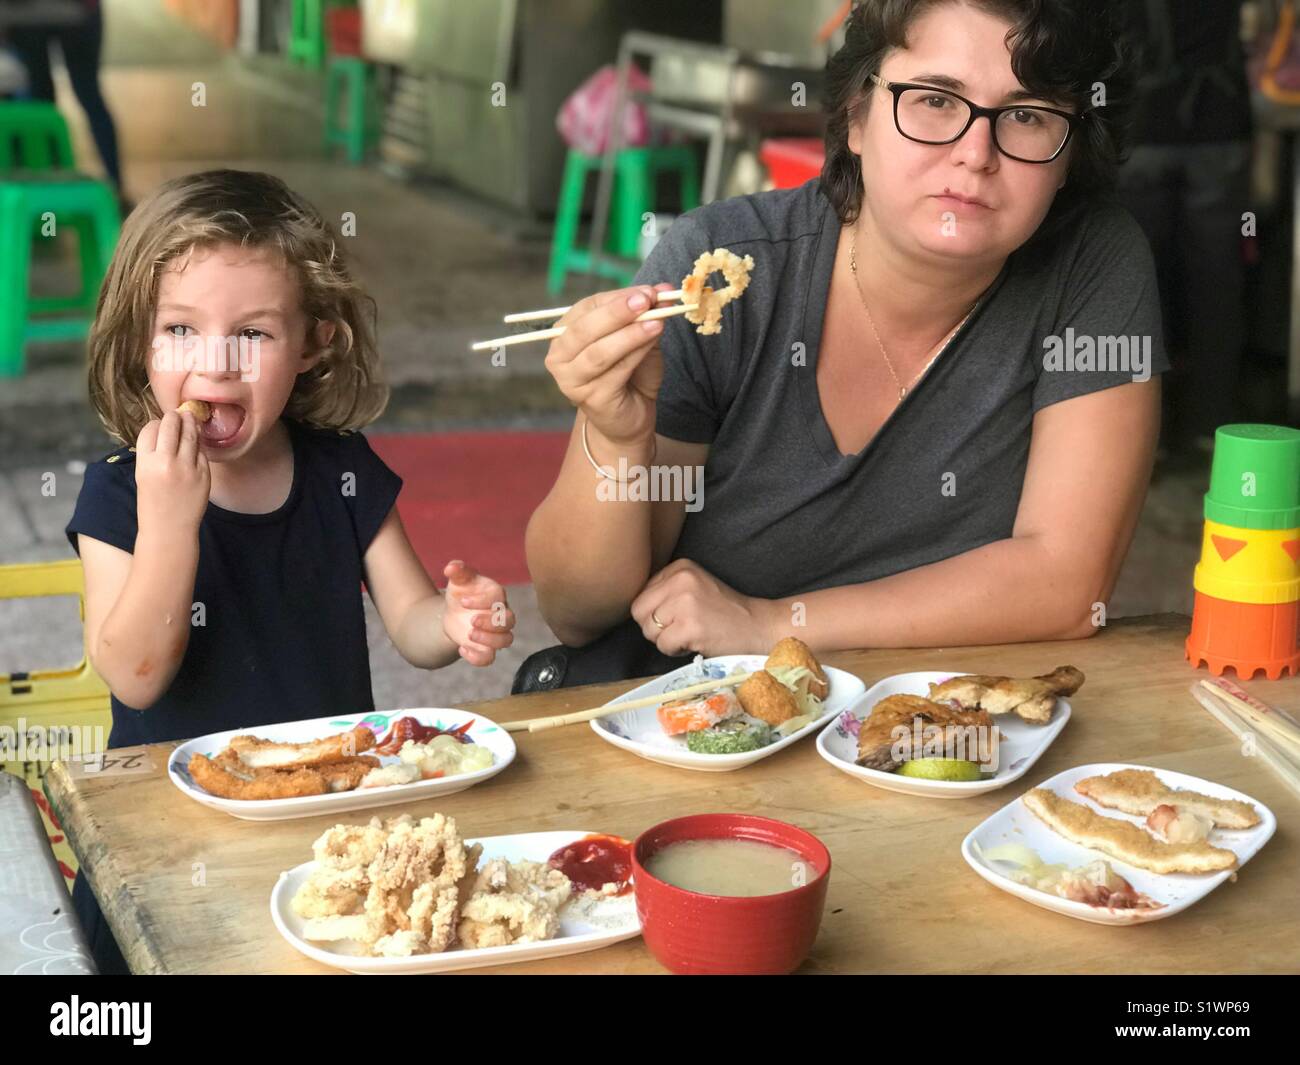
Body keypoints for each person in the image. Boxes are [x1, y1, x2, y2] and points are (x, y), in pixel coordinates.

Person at [520, 0, 1168, 690]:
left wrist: (772, 623)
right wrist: (615, 440)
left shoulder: (1094, 265)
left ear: (1071, 154)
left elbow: (1067, 583)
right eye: (934, 101)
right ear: (857, 116)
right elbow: (578, 614)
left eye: (1029, 114)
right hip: (702, 727)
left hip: (944, 741)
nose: (975, 154)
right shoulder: (722, 268)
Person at [65, 168, 518, 972]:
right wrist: (171, 521)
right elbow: (134, 675)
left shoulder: (342, 472)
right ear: (141, 341)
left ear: (313, 344)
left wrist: (454, 620)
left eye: (254, 333)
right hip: (167, 838)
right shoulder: (118, 490)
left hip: (327, 827)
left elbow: (412, 625)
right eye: (180, 328)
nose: (216, 362)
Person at [1113, 0, 1252, 457]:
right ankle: (1212, 427)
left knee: (1139, 287)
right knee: (1218, 284)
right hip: (1220, 126)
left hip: (1141, 130)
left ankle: (1143, 435)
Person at [6, 0, 123, 194]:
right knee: (86, 95)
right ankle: (115, 189)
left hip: (31, 14)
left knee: (40, 104)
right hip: (70, 13)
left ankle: (45, 186)